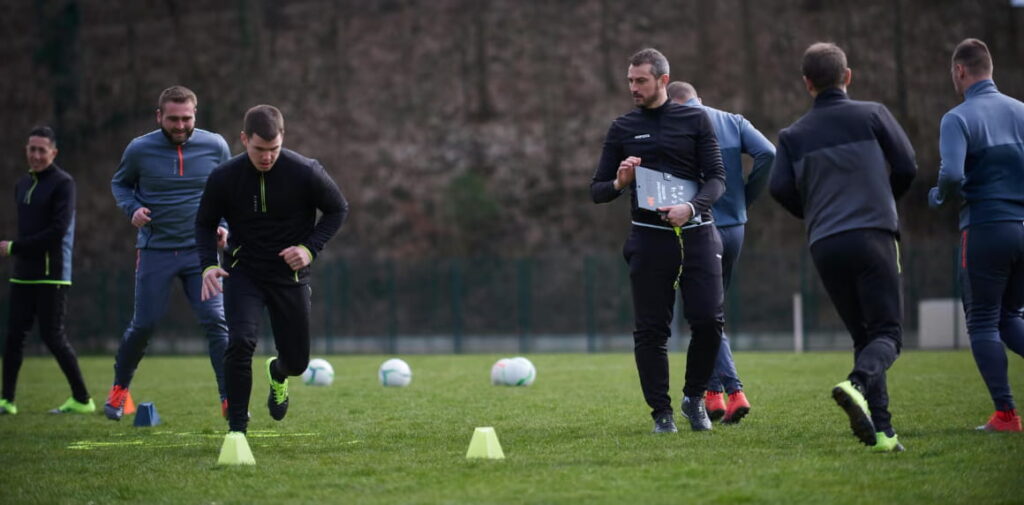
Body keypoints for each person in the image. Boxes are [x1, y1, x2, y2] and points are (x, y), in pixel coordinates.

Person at [770, 42, 917, 452]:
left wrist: (813, 212)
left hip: (825, 243)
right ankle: (855, 385)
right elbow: (908, 165)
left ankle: (884, 433)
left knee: (864, 336)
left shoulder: (793, 135)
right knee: (888, 335)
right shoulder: (873, 115)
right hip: (873, 234)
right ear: (846, 76)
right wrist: (883, 201)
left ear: (806, 83)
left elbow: (778, 188)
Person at [591, 48, 727, 433]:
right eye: (630, 81)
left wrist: (692, 206)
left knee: (708, 321)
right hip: (649, 239)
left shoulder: (695, 120)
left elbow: (718, 178)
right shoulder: (622, 127)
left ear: (663, 80)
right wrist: (620, 182)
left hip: (697, 232)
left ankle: (694, 398)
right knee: (652, 330)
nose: (633, 87)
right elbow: (597, 190)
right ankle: (661, 413)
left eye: (641, 81)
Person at [196, 105, 347, 448]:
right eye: (259, 149)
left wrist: (309, 248)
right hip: (243, 272)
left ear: (283, 140)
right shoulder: (224, 177)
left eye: (274, 150)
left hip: (289, 277)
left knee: (298, 362)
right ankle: (237, 430)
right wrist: (208, 263)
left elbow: (338, 209)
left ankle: (278, 374)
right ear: (244, 139)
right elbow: (204, 223)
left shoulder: (305, 171)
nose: (266, 157)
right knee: (240, 343)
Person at [107, 85, 232, 420]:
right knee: (144, 324)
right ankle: (120, 389)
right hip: (155, 250)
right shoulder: (139, 150)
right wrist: (132, 208)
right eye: (173, 119)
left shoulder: (216, 146)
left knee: (217, 321)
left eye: (186, 118)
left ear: (196, 115)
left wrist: (224, 226)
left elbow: (228, 190)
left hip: (201, 253)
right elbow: (120, 184)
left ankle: (228, 396)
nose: (180, 125)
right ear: (159, 116)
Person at [928, 38, 1024, 432]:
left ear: (959, 71)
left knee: (983, 321)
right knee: (1010, 316)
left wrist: (939, 196)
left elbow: (951, 174)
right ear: (991, 68)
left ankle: (1005, 415)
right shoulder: (1021, 111)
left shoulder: (958, 118)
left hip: (986, 227)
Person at [668, 81, 776, 424]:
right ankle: (712, 396)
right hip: (735, 229)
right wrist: (746, 195)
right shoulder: (733, 121)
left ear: (674, 102)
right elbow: (768, 153)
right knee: (712, 312)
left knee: (703, 315)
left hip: (700, 227)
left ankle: (732, 389)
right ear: (699, 97)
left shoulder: (675, 125)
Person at [0, 126, 94, 415]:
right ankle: (7, 401)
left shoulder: (63, 184)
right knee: (13, 337)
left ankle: (82, 399)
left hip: (52, 274)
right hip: (22, 273)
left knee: (53, 337)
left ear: (53, 152)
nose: (37, 155)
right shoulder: (21, 184)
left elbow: (57, 232)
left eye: (42, 150)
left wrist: (14, 248)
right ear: (26, 151)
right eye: (32, 149)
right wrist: (18, 254)